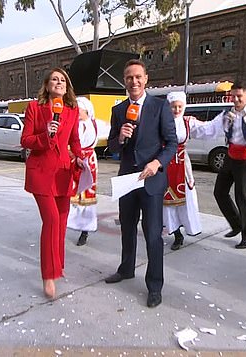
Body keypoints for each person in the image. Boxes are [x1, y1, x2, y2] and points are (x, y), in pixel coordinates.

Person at [105, 59, 177, 308]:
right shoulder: (118, 110)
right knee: (127, 227)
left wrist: (157, 163)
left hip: (151, 179)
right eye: (128, 77)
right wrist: (121, 138)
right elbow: (111, 146)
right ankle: (126, 269)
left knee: (152, 233)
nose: (133, 81)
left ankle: (154, 286)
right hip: (127, 179)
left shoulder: (160, 106)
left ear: (146, 78)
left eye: (138, 77)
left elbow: (172, 143)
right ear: (124, 81)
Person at [190, 83, 246, 249]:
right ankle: (237, 224)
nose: (236, 99)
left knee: (242, 197)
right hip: (230, 156)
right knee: (219, 192)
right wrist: (190, 123)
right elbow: (210, 127)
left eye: (239, 96)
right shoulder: (229, 114)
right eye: (233, 96)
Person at [20, 68, 84, 299]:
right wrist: (45, 134)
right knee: (52, 220)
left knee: (63, 220)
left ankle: (59, 266)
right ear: (47, 85)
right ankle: (48, 275)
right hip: (41, 173)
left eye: (63, 80)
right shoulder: (34, 108)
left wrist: (80, 156)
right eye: (54, 79)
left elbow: (74, 140)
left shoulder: (72, 110)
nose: (59, 82)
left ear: (67, 86)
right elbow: (25, 140)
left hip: (64, 172)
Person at [163, 91, 202, 250]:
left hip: (182, 164)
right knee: (167, 201)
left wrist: (223, 122)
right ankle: (176, 233)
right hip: (166, 163)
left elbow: (206, 128)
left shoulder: (188, 122)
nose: (177, 109)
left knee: (186, 198)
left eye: (179, 106)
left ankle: (188, 226)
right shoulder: (162, 121)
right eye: (173, 107)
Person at [68, 97, 98, 246]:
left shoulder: (94, 123)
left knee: (87, 194)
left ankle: (85, 229)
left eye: (78, 110)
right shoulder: (73, 125)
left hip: (90, 162)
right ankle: (71, 223)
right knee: (73, 194)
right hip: (74, 160)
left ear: (86, 110)